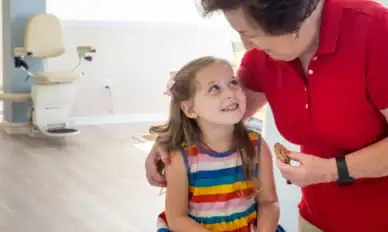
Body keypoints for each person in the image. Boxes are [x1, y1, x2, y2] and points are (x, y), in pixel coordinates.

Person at [146, 0, 388, 231]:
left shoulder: (375, 30)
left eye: (251, 33)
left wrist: (330, 170)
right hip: (317, 218)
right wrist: (168, 141)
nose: (249, 45)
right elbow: (216, 113)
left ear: (291, 20)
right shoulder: (264, 57)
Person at [150, 56, 279, 232]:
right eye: (215, 88)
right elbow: (176, 218)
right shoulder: (180, 157)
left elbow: (269, 202)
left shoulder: (257, 146)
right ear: (190, 109)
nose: (230, 93)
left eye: (233, 82)